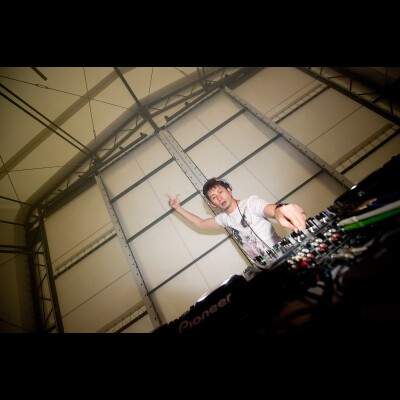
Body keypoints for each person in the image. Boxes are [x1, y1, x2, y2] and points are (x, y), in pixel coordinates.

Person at [168, 177, 307, 269]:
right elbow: (201, 224)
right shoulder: (224, 219)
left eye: (220, 192)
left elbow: (271, 209)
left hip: (284, 258)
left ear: (229, 191)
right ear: (213, 204)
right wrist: (178, 208)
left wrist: (280, 210)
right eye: (214, 197)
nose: (219, 197)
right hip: (264, 268)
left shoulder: (251, 203)